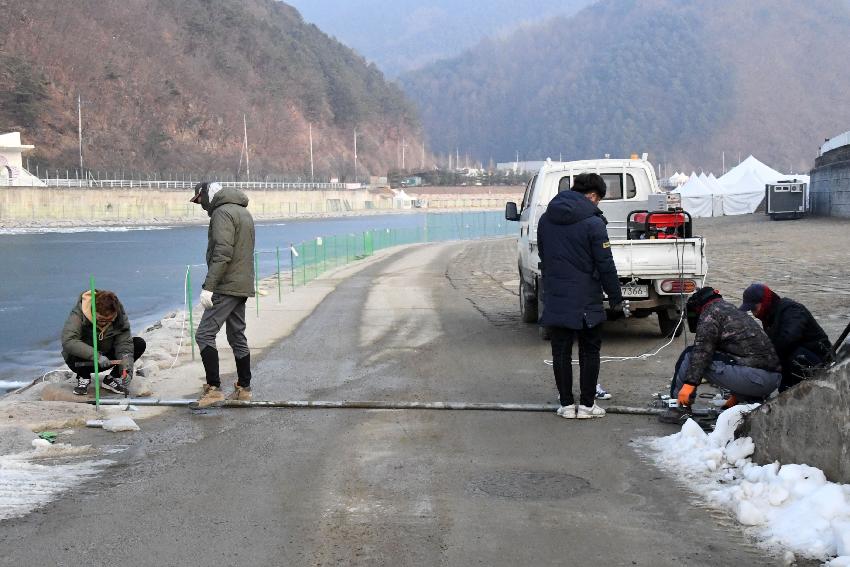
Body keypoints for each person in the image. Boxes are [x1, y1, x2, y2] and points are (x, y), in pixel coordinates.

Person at [537, 173, 627, 419]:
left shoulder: (546, 220)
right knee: (589, 350)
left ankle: (566, 405)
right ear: (592, 196)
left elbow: (544, 255)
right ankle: (587, 405)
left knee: (561, 351)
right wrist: (616, 297)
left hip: (556, 294)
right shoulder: (594, 223)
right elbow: (605, 263)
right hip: (587, 296)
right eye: (597, 200)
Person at [190, 181, 256, 407]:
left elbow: (222, 252)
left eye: (199, 201)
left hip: (226, 285)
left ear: (206, 196)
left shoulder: (221, 213)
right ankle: (244, 388)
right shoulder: (242, 211)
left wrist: (209, 286)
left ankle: (214, 388)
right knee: (237, 335)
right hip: (242, 283)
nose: (201, 206)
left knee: (204, 334)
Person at [672, 286, 781, 408]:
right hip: (771, 380)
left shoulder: (710, 313)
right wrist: (736, 398)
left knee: (690, 355)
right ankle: (748, 399)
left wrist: (689, 384)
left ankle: (679, 407)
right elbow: (741, 357)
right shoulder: (730, 309)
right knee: (722, 358)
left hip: (757, 380)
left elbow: (701, 352)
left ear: (698, 306)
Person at [739, 283, 832, 391]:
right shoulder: (768, 316)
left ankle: (801, 392)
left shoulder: (791, 309)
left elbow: (788, 339)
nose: (754, 314)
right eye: (751, 310)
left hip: (819, 359)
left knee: (793, 354)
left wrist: (764, 356)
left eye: (754, 308)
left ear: (765, 302)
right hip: (795, 358)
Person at [61, 290, 145, 396]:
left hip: (108, 360)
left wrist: (126, 369)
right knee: (75, 344)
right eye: (100, 319)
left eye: (109, 320)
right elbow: (68, 340)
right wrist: (96, 356)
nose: (104, 323)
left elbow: (124, 343)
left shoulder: (119, 315)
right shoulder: (79, 314)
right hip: (82, 362)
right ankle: (83, 377)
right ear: (93, 311)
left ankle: (112, 379)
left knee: (139, 343)